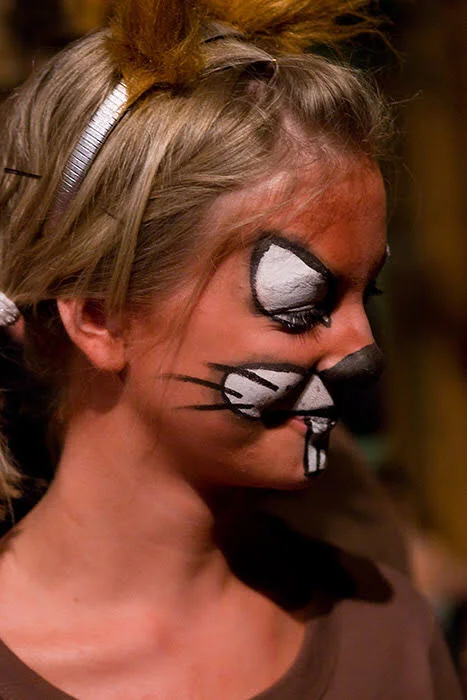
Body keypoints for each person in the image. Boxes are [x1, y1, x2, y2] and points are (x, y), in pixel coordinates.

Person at [0, 0, 462, 698]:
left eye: (365, 296)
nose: (363, 351)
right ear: (100, 317)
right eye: (302, 305)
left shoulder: (386, 634)